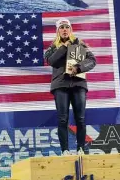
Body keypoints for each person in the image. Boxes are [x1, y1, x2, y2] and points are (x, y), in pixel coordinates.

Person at [44, 18, 96, 156]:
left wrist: (79, 68)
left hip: (78, 84)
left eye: (67, 27)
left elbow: (92, 60)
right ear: (58, 31)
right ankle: (65, 150)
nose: (64, 29)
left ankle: (80, 148)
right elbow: (51, 61)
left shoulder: (80, 44)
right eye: (62, 27)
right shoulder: (53, 47)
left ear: (70, 29)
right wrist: (64, 47)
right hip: (60, 85)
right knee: (62, 119)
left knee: (80, 118)